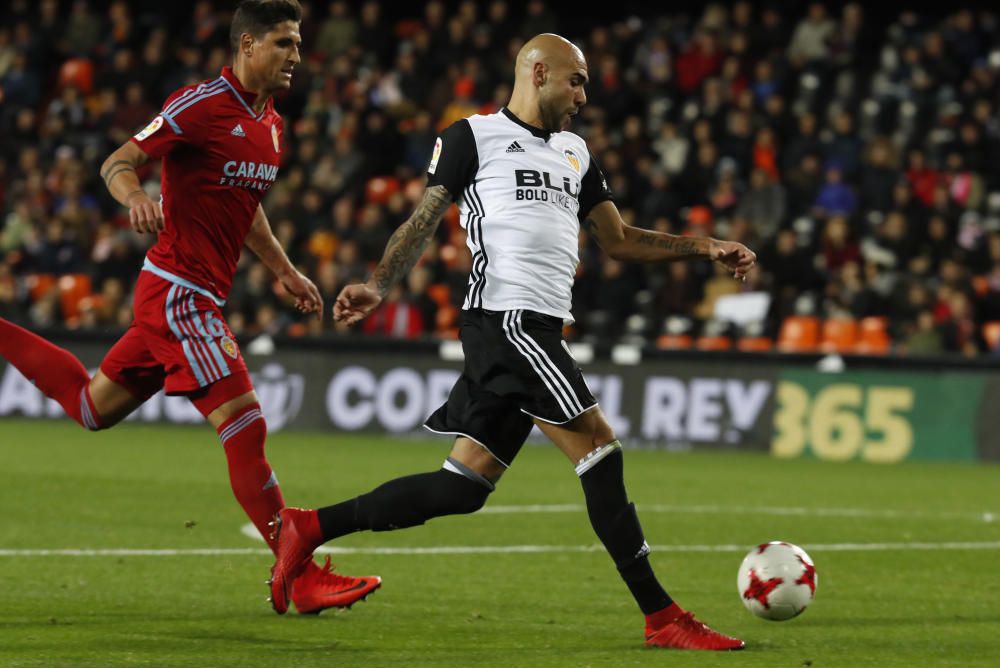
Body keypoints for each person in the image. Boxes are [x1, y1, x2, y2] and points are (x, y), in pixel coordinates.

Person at [268, 33, 754, 649]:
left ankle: (306, 526)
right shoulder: (473, 136)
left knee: (461, 488)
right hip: (507, 322)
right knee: (600, 449)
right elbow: (424, 218)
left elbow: (619, 238)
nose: (583, 95)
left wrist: (704, 246)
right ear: (540, 72)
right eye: (576, 81)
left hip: (537, 327)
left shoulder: (577, 153)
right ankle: (663, 618)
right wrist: (378, 283)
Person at [0, 0, 379, 615]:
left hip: (189, 294)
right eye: (284, 42)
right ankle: (300, 575)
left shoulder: (273, 127)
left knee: (92, 408)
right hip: (180, 291)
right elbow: (118, 161)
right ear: (248, 44)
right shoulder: (199, 105)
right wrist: (136, 196)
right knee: (246, 424)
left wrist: (283, 268)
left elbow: (246, 203)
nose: (297, 55)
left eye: (299, 43)